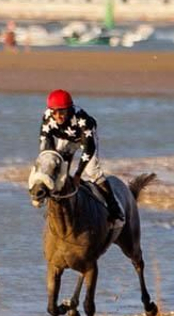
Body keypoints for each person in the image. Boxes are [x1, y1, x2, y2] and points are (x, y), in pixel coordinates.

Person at [39, 89, 124, 227]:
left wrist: (78, 174)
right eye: (54, 112)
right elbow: (45, 143)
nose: (58, 116)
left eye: (62, 111)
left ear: (69, 109)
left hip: (85, 139)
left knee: (93, 172)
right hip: (66, 139)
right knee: (57, 169)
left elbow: (88, 150)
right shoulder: (47, 116)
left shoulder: (82, 119)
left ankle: (115, 210)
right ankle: (54, 207)